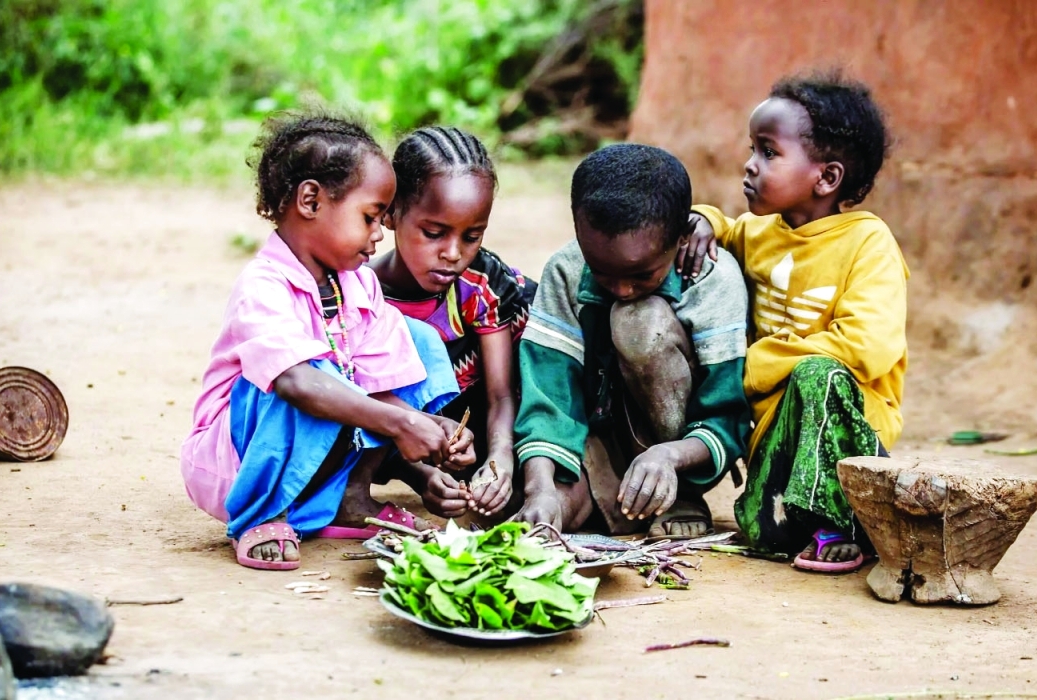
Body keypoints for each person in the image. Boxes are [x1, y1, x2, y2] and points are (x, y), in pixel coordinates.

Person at [180, 112, 474, 571]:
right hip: (240, 458)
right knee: (307, 374)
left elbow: (379, 384)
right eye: (371, 217)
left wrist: (429, 433)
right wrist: (400, 426)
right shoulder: (264, 285)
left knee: (413, 338)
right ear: (311, 200)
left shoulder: (357, 284)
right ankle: (262, 515)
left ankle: (350, 497)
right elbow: (296, 383)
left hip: (320, 446)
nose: (380, 234)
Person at [679, 71, 908, 572]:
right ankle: (793, 516)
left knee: (816, 374)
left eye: (768, 152)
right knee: (764, 537)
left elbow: (867, 346)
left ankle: (844, 523)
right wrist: (703, 220)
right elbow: (725, 227)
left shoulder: (868, 244)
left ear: (826, 178)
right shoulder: (761, 232)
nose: (750, 164)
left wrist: (758, 363)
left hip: (850, 423)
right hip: (774, 425)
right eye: (752, 148)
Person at [511, 143, 752, 539]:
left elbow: (727, 415)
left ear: (680, 238)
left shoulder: (713, 280)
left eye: (642, 275)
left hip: (679, 450)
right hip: (598, 439)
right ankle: (611, 496)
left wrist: (671, 456)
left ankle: (680, 495)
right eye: (602, 272)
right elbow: (549, 394)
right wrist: (540, 488)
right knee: (542, 519)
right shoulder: (567, 269)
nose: (622, 288)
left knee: (638, 321)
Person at [370, 127, 534, 522]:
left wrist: (500, 460)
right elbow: (365, 407)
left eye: (472, 236)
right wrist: (421, 476)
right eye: (433, 233)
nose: (453, 254)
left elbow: (500, 394)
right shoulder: (361, 295)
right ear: (390, 213)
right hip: (402, 424)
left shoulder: (482, 282)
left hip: (487, 412)